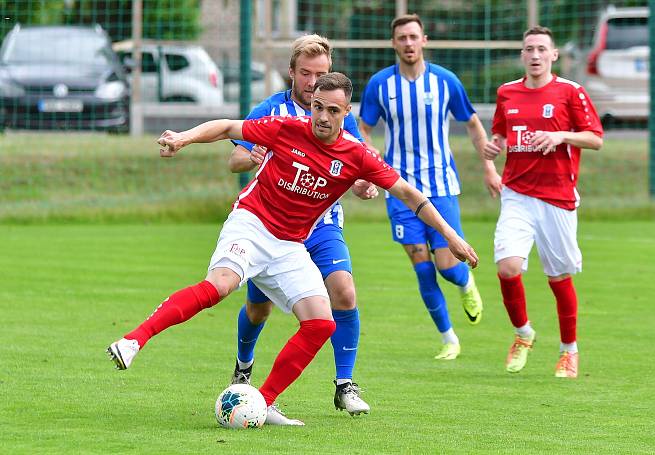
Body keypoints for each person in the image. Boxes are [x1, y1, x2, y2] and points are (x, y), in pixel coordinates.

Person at [107, 73, 478, 426]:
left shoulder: (358, 155)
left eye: (333, 110)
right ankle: (133, 340)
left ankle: (263, 402)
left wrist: (451, 237)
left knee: (321, 322)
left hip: (289, 245)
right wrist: (184, 139)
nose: (322, 116)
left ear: (346, 113)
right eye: (318, 107)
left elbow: (410, 195)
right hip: (251, 224)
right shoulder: (287, 128)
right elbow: (225, 127)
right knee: (220, 287)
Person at [227, 34, 377, 416]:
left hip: (322, 224)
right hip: (273, 225)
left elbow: (357, 168)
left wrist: (363, 185)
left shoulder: (341, 113)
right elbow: (236, 162)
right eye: (307, 74)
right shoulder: (270, 109)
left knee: (343, 292)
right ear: (292, 73)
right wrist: (253, 155)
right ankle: (244, 368)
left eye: (322, 73)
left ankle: (345, 384)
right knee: (259, 310)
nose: (314, 82)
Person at [358, 14, 497, 360]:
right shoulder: (380, 85)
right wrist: (367, 149)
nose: (408, 43)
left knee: (448, 267)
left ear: (424, 40)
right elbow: (363, 128)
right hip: (400, 187)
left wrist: (489, 168)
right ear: (394, 43)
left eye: (413, 37)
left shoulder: (445, 81)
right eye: (401, 37)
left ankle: (465, 283)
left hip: (441, 186)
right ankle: (449, 338)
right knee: (421, 265)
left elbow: (473, 124)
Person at [482, 26, 603, 377]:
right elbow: (500, 135)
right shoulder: (507, 93)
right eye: (529, 49)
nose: (535, 55)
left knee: (559, 276)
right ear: (522, 55)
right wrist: (492, 150)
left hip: (557, 197)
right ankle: (523, 334)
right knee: (507, 267)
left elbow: (595, 139)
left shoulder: (570, 92)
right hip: (517, 194)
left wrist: (561, 134)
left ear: (553, 56)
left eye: (541, 49)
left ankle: (569, 351)